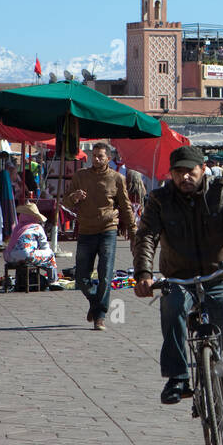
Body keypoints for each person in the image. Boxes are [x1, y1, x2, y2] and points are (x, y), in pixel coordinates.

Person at [132, 146, 223, 445]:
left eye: (190, 171)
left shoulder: (222, 191)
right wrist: (143, 273)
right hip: (178, 277)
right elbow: (146, 237)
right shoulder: (159, 200)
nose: (184, 177)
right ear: (171, 174)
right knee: (172, 305)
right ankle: (178, 378)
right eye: (178, 172)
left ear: (202, 169)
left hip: (219, 276)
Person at [63, 141, 135, 330]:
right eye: (94, 155)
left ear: (108, 159)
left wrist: (134, 231)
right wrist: (74, 197)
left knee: (105, 275)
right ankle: (95, 303)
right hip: (86, 230)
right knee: (81, 278)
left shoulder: (117, 178)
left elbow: (126, 206)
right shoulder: (80, 176)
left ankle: (100, 316)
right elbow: (66, 202)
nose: (96, 159)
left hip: (107, 229)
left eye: (100, 156)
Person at [3, 201, 58, 284]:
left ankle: (19, 280)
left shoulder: (17, 227)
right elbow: (45, 246)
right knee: (50, 254)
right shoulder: (36, 227)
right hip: (26, 256)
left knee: (25, 253)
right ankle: (53, 280)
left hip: (8, 256)